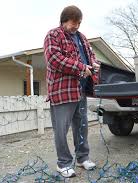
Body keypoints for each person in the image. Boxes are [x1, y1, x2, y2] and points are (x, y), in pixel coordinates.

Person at [43, 5, 100, 178]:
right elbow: (54, 59)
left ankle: (83, 158)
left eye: (79, 23)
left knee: (82, 127)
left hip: (80, 90)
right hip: (62, 92)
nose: (76, 26)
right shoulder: (54, 35)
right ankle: (64, 163)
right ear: (64, 20)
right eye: (74, 22)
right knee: (61, 130)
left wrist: (94, 64)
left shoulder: (82, 38)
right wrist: (81, 67)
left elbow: (91, 55)